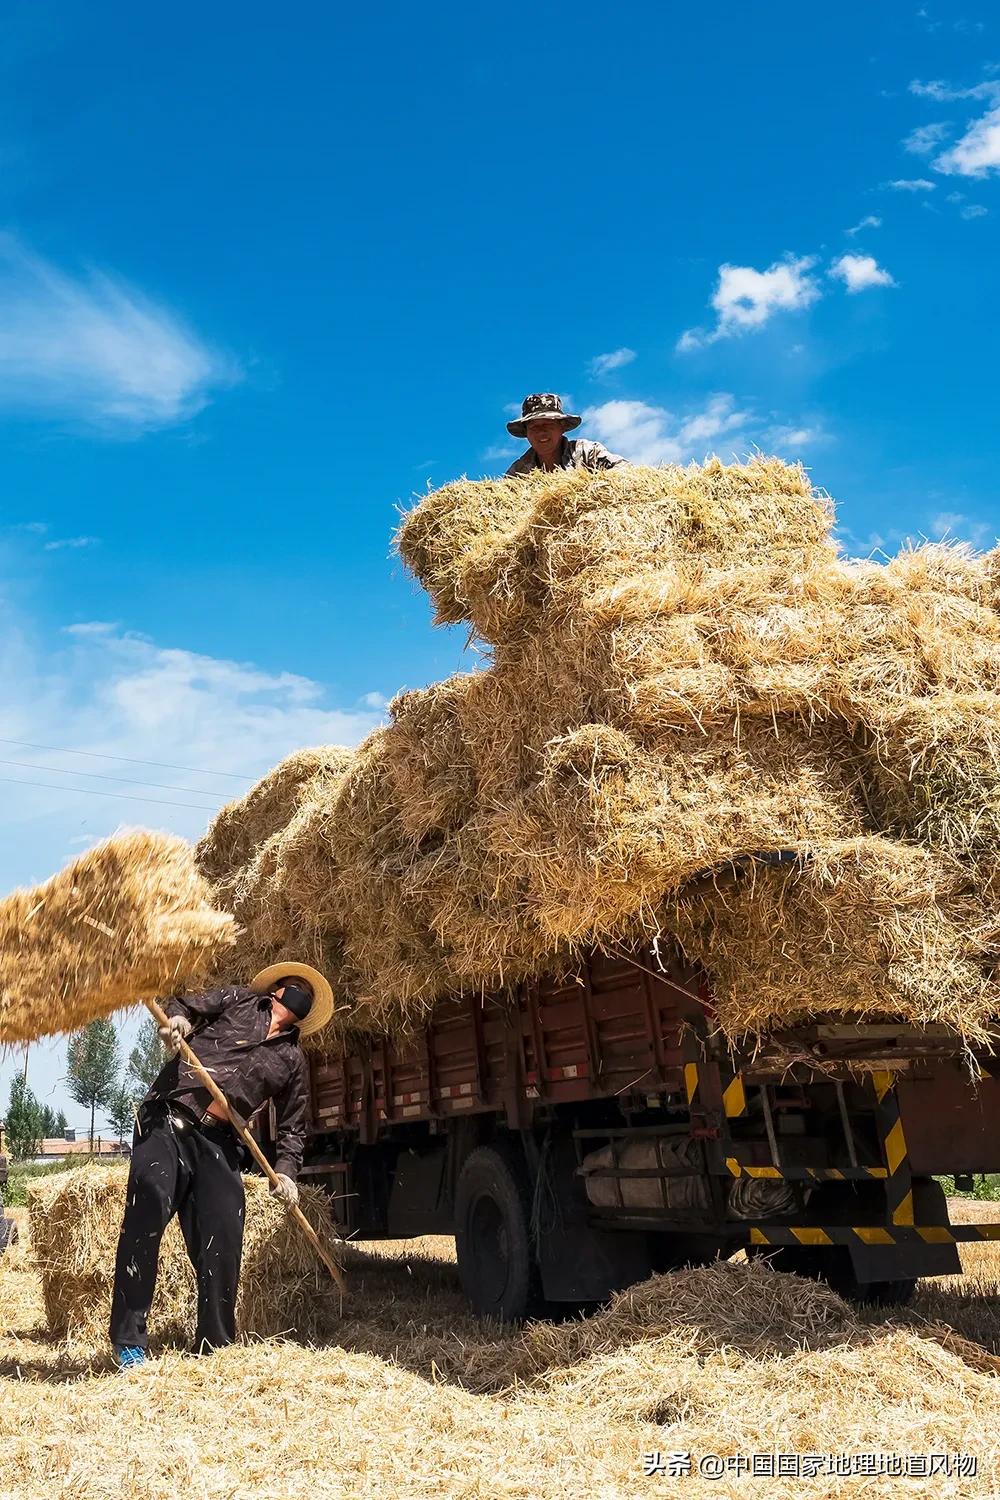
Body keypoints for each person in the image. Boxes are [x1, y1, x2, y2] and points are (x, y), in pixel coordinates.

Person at [109, 960, 334, 1369]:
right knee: (149, 1206)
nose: (297, 992)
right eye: (294, 985)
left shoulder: (291, 1060)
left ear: (304, 1010)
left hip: (218, 1139)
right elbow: (186, 1005)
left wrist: (286, 1171)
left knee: (225, 1233)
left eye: (306, 992)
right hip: (169, 1117)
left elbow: (293, 1125)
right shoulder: (240, 1000)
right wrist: (176, 1020)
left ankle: (214, 1345)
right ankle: (129, 1340)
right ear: (277, 990)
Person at [505, 392, 629, 477]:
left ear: (562, 427)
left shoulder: (587, 452)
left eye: (548, 424)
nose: (541, 431)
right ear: (526, 432)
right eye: (533, 426)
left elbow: (625, 471)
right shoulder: (518, 473)